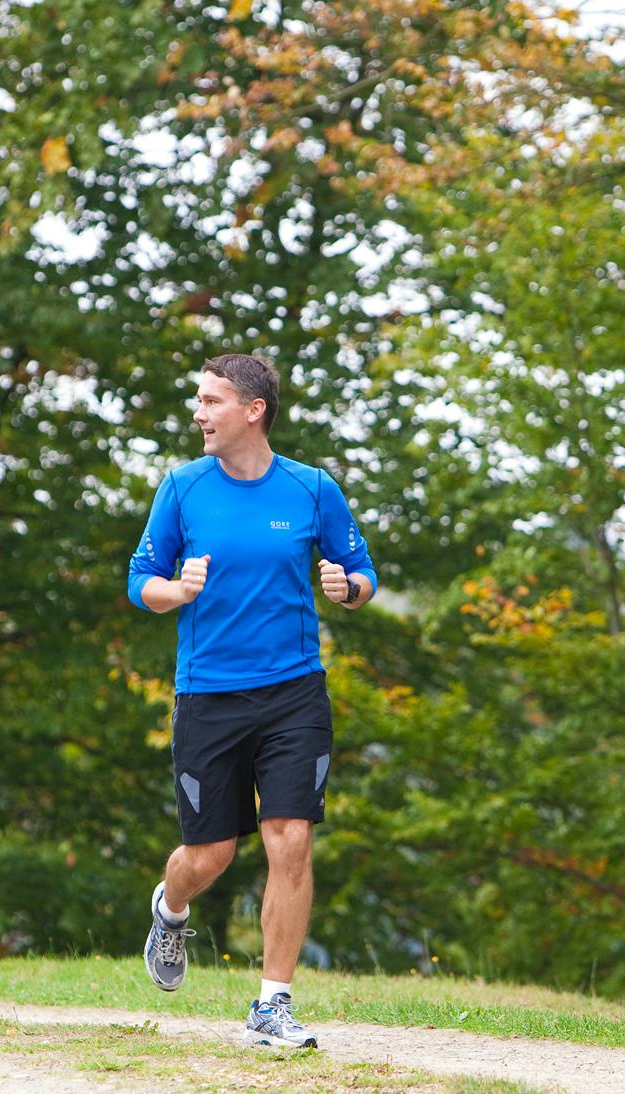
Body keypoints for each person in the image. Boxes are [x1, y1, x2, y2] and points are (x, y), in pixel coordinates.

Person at [127, 353, 378, 1049]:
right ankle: (170, 909)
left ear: (252, 410)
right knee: (207, 856)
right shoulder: (182, 488)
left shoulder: (312, 488)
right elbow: (139, 579)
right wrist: (174, 592)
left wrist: (348, 588)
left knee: (291, 839)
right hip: (208, 693)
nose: (198, 414)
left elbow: (360, 570)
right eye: (198, 401)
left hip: (295, 690)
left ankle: (272, 1003)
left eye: (210, 401)